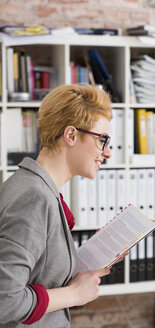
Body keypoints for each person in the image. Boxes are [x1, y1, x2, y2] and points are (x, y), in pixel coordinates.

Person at [0, 84, 112, 327]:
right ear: (71, 135)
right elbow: (5, 300)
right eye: (102, 140)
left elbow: (36, 272)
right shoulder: (34, 197)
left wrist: (87, 262)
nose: (108, 152)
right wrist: (74, 294)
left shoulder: (30, 186)